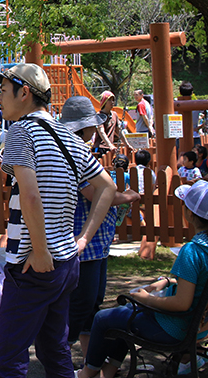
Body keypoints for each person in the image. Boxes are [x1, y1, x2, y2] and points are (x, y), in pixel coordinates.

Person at [0, 63, 116, 378]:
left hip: (34, 265)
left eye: (3, 91)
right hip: (67, 263)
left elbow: (30, 196)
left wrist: (42, 250)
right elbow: (107, 188)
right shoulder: (68, 137)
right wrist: (82, 239)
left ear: (24, 92)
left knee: (7, 359)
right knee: (54, 350)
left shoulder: (20, 130)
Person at [80, 181, 208, 378]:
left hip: (177, 328)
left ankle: (88, 372)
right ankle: (108, 371)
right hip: (202, 324)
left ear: (189, 213)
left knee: (103, 318)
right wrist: (167, 282)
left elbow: (181, 303)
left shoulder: (193, 251)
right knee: (124, 314)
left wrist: (147, 299)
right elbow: (201, 285)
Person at [58, 96, 141, 359]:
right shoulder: (74, 154)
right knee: (82, 304)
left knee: (92, 303)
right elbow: (95, 194)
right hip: (86, 245)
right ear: (83, 127)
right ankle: (59, 356)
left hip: (97, 243)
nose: (96, 129)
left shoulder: (76, 151)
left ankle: (89, 358)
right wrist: (127, 196)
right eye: (93, 125)